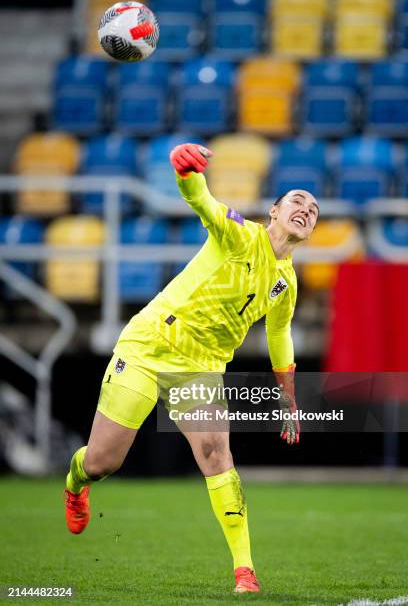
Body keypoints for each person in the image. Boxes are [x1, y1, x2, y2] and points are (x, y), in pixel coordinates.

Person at [64, 143, 319, 594]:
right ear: (274, 212)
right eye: (297, 201)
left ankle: (245, 571)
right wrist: (185, 170)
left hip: (199, 369)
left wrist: (289, 396)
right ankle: (76, 479)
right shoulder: (240, 234)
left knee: (218, 458)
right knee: (104, 462)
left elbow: (279, 337)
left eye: (314, 209)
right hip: (149, 346)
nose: (306, 210)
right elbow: (202, 200)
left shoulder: (287, 283)